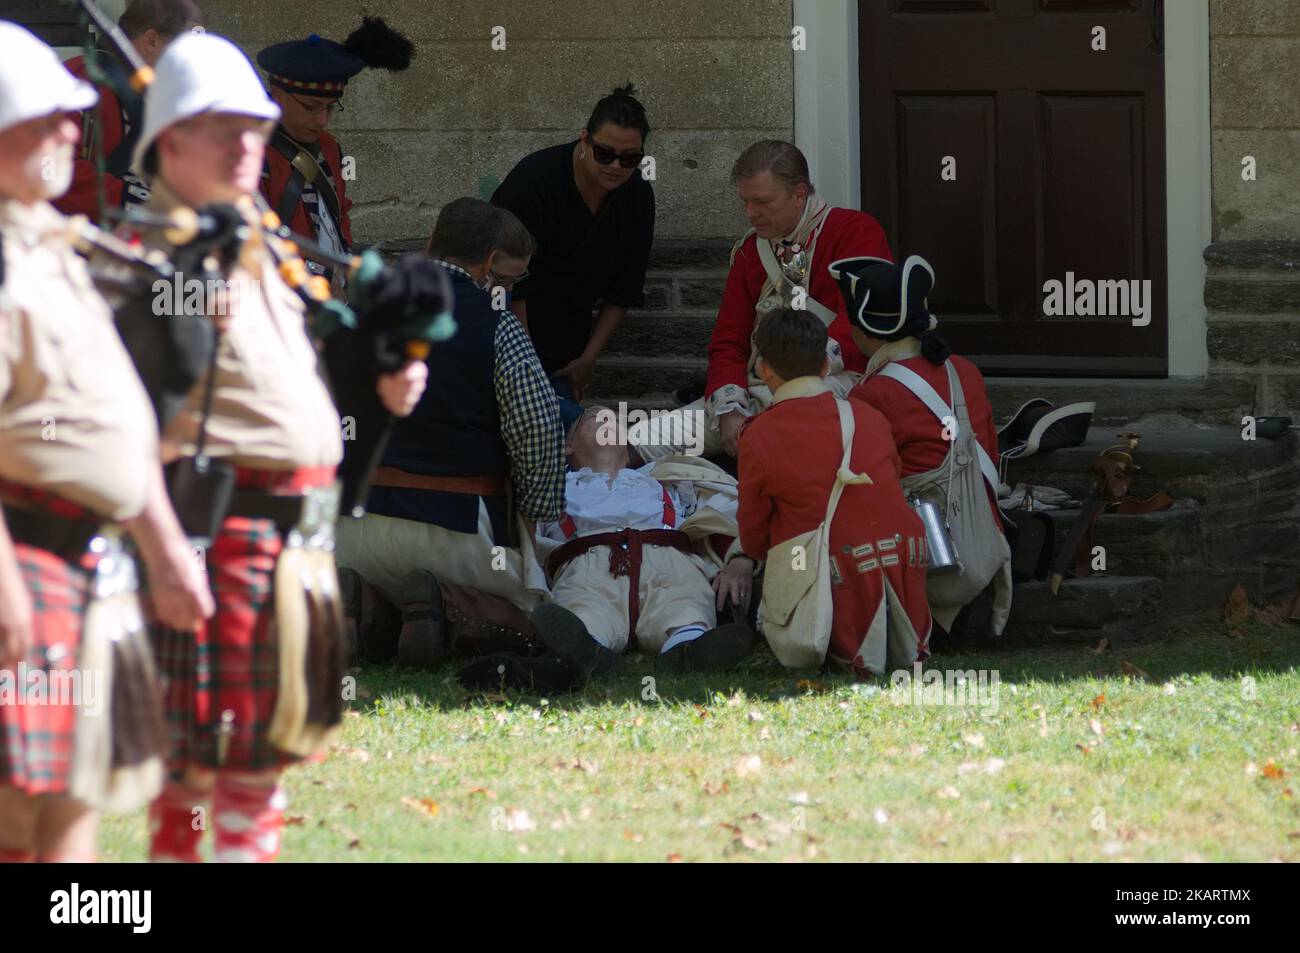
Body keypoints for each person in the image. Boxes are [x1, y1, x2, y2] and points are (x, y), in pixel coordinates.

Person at [127, 31, 425, 863]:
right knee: (192, 774)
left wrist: (380, 376)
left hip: (287, 534)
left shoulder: (251, 239)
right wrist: (165, 552)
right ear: (172, 140)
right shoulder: (162, 260)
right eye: (227, 131)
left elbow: (292, 361)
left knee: (260, 772)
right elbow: (129, 431)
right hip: (211, 533)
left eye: (255, 129)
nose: (249, 147)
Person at [0, 21, 212, 864]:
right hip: (24, 559)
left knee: (71, 807)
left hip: (88, 566)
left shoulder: (55, 247)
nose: (69, 131)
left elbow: (118, 422)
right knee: (15, 816)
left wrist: (162, 547)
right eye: (47, 116)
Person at [336, 198, 565, 660]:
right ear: (487, 263)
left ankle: (367, 609)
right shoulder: (497, 324)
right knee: (531, 617)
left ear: (430, 244)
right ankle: (445, 602)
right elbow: (539, 428)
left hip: (348, 528)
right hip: (456, 529)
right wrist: (538, 515)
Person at [632, 140, 893, 461]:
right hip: (753, 391)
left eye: (762, 202)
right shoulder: (749, 252)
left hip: (832, 382)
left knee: (782, 432)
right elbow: (728, 343)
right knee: (626, 441)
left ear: (799, 194)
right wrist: (728, 408)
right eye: (745, 201)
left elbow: (859, 324)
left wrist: (790, 380)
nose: (750, 213)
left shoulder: (855, 231)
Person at [736, 307, 931, 677]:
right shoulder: (867, 414)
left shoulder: (758, 434)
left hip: (837, 571)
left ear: (764, 370)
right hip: (905, 559)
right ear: (826, 366)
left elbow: (753, 538)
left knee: (789, 543)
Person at [835, 255, 1012, 638]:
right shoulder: (962, 369)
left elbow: (865, 483)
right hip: (983, 538)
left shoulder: (873, 392)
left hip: (935, 560)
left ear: (866, 328)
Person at [521, 407, 755, 686]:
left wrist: (739, 558)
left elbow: (731, 509)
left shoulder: (672, 478)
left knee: (685, 601)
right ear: (567, 446)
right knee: (582, 608)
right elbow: (525, 539)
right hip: (588, 565)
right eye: (593, 417)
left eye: (614, 420)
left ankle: (688, 646)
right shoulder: (553, 489)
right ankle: (586, 648)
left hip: (669, 562)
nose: (607, 420)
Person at [492, 84, 656, 431]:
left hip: (569, 344)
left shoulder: (637, 195)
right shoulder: (535, 181)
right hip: (506, 332)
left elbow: (625, 289)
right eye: (605, 153)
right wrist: (527, 364)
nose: (616, 166)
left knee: (569, 434)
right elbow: (509, 281)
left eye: (630, 158)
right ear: (584, 139)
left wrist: (587, 359)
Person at [257, 18, 414, 289]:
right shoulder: (251, 152)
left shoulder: (328, 146)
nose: (322, 120)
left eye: (330, 108)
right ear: (278, 94)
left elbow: (339, 212)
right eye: (311, 106)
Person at [56, 0, 206, 222]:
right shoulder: (81, 78)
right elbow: (53, 169)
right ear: (151, 40)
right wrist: (132, 199)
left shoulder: (169, 97)